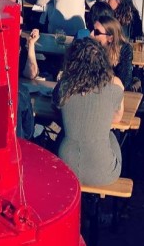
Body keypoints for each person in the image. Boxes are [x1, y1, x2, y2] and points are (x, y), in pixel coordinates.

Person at [52, 38, 124, 186]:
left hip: (66, 165)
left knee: (63, 134)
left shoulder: (63, 87)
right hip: (102, 171)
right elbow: (117, 118)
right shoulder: (115, 86)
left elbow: (57, 109)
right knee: (110, 135)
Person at [91, 14, 134, 90]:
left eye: (96, 32)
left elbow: (124, 82)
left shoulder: (124, 50)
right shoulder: (91, 49)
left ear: (110, 38)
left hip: (116, 91)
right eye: (92, 30)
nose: (91, 34)